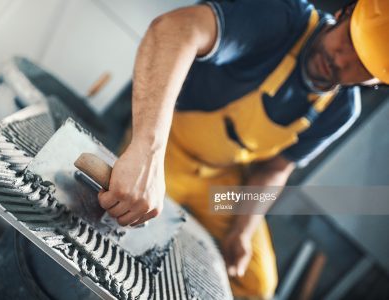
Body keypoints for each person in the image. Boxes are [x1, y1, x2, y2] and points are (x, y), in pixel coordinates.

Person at [96, 0, 389, 298]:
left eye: (362, 64)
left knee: (256, 284)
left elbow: (276, 168)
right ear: (343, 14)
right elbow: (173, 30)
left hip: (218, 188)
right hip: (168, 154)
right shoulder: (281, 18)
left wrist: (242, 230)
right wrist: (148, 152)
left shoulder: (341, 110)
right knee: (128, 228)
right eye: (350, 39)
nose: (342, 59)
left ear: (376, 80)